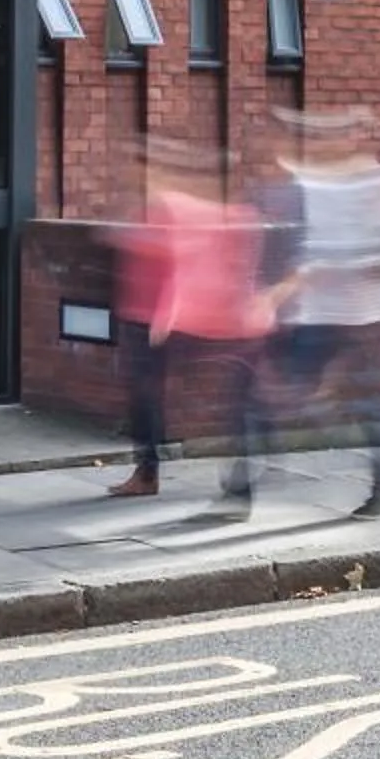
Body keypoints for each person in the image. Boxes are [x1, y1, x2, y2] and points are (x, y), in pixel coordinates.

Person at [253, 108, 380, 517]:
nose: (326, 141)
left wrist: (289, 287)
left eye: (339, 133)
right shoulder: (317, 184)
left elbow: (379, 251)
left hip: (367, 313)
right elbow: (299, 235)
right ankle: (258, 473)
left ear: (360, 137)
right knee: (280, 389)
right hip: (322, 311)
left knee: (371, 401)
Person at [104, 139, 270, 500]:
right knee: (148, 398)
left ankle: (153, 473)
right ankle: (152, 472)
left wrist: (166, 316)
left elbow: (182, 267)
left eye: (138, 165)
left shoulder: (174, 207)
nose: (131, 172)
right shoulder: (154, 206)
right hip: (151, 315)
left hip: (161, 322)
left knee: (153, 398)